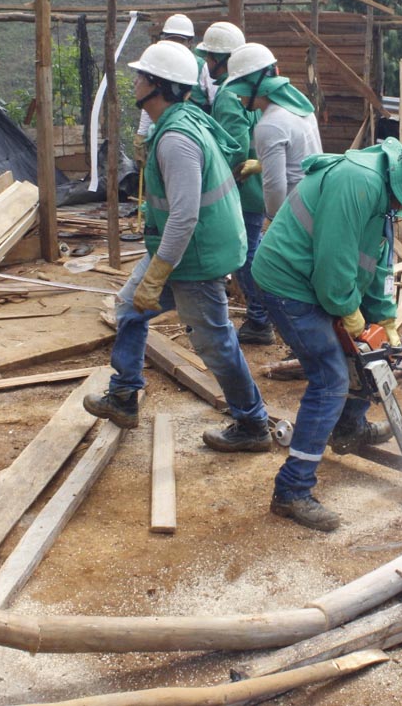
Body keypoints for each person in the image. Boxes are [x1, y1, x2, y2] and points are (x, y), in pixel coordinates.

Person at [250, 136, 402, 531]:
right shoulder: (358, 182)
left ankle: (349, 428)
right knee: (331, 378)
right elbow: (334, 272)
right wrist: (352, 318)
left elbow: (376, 266)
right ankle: (292, 491)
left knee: (370, 357)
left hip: (318, 278)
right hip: (288, 281)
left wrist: (386, 326)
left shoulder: (381, 194)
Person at [84, 40, 273, 454]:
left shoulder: (176, 140)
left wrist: (158, 273)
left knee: (214, 342)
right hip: (181, 248)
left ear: (158, 85)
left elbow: (185, 216)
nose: (133, 81)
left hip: (196, 255)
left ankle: (253, 422)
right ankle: (124, 394)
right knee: (129, 308)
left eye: (140, 76)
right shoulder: (181, 118)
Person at [200, 24, 273, 346]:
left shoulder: (230, 95)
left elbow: (235, 148)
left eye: (208, 56)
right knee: (249, 251)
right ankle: (263, 315)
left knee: (244, 255)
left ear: (219, 58)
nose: (205, 62)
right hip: (256, 188)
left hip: (243, 191)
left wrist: (219, 182)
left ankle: (261, 319)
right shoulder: (247, 91)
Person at [221, 42, 323, 219]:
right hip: (315, 206)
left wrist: (272, 219)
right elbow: (298, 159)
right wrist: (261, 165)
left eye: (240, 89)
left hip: (294, 217)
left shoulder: (270, 124)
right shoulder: (299, 107)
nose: (238, 96)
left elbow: (275, 187)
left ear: (253, 85)